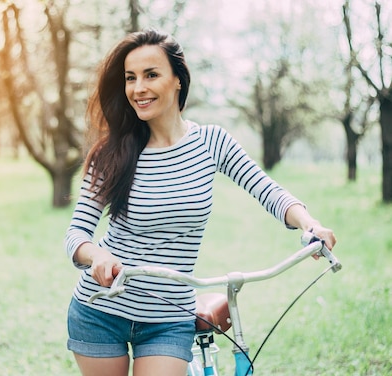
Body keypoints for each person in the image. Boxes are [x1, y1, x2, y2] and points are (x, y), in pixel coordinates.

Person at [64, 28, 337, 376]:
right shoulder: (112, 152)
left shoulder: (212, 142)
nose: (138, 88)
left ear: (178, 80)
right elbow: (76, 235)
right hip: (99, 311)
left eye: (151, 75)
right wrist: (97, 255)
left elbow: (269, 191)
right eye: (130, 78)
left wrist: (309, 224)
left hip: (168, 318)